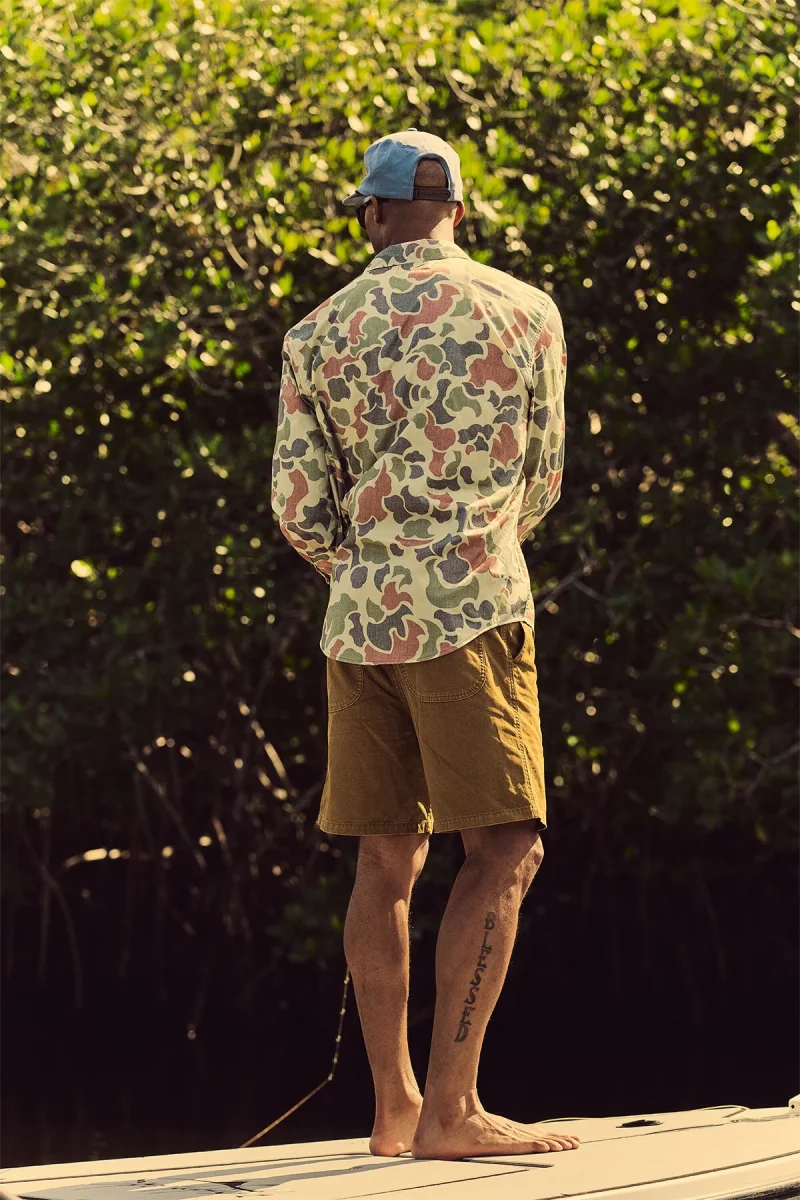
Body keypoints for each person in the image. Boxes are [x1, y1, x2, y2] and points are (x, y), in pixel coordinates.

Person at [270, 130, 577, 1162]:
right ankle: (454, 1111)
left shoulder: (317, 331)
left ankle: (396, 1108)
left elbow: (298, 508)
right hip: (475, 609)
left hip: (359, 621)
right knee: (505, 850)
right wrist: (469, 551)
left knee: (384, 857)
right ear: (461, 212)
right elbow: (542, 479)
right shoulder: (525, 310)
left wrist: (369, 570)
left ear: (372, 212)